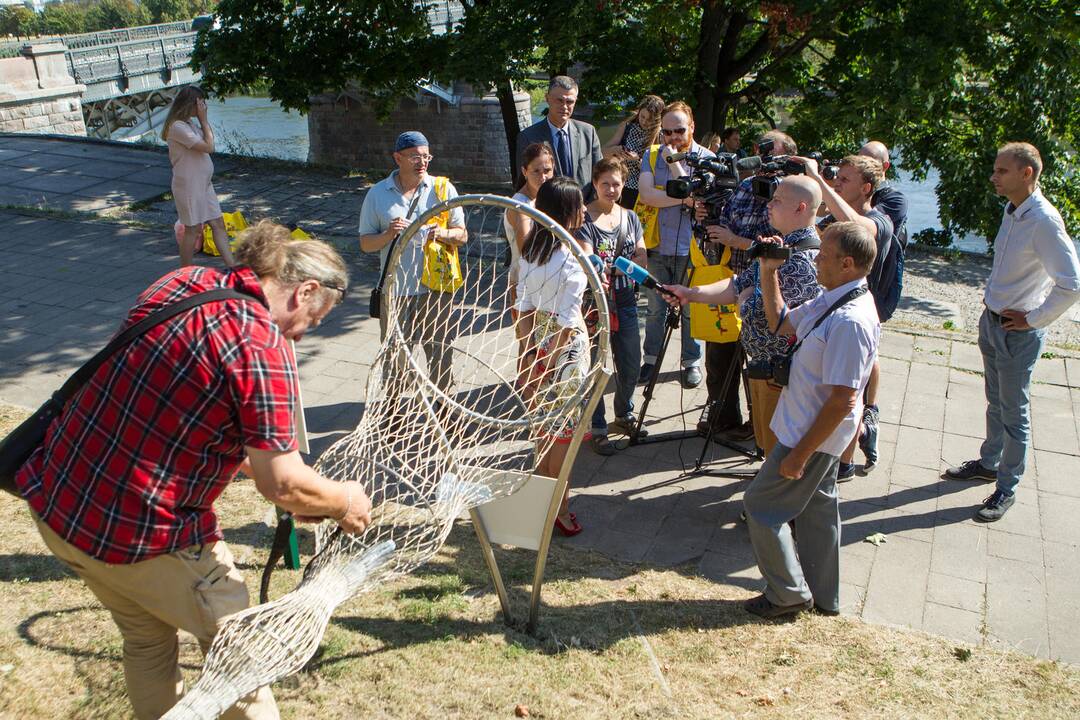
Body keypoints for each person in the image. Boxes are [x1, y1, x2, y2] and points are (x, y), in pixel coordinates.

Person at [14, 221, 373, 719]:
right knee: (243, 662)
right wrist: (345, 501)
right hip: (142, 535)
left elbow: (171, 398)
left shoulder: (184, 283)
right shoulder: (259, 346)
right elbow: (284, 482)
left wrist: (272, 477)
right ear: (305, 291)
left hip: (61, 502)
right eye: (315, 319)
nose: (306, 332)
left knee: (146, 641)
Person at [742, 221, 880, 618]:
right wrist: (769, 273)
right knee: (818, 511)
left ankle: (787, 594)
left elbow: (843, 400)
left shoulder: (851, 322)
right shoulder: (832, 298)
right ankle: (823, 597)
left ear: (848, 264)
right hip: (806, 428)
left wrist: (799, 455)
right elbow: (781, 322)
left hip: (812, 436)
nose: (815, 260)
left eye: (823, 256)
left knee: (761, 506)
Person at [945, 143, 1080, 522]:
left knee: (1014, 413)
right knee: (996, 401)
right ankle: (989, 463)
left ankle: (1006, 488)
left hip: (1017, 332)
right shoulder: (1013, 209)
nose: (993, 176)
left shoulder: (1044, 222)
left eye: (1002, 171)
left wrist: (1034, 319)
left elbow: (1071, 284)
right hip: (993, 322)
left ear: (1027, 174)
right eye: (995, 169)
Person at [666, 176, 823, 455]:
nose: (769, 206)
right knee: (769, 448)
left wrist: (745, 300)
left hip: (786, 380)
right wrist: (689, 293)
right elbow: (738, 284)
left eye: (777, 200)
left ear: (800, 208)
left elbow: (768, 319)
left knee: (781, 456)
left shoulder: (801, 260)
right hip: (768, 371)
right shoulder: (783, 247)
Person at [698, 129, 798, 439]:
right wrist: (706, 218)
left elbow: (783, 245)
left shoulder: (792, 195)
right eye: (760, 149)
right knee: (719, 359)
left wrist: (736, 240)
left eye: (771, 151)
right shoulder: (743, 186)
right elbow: (722, 228)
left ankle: (760, 427)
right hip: (730, 281)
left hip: (766, 289)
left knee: (760, 363)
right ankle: (723, 417)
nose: (763, 156)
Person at [803, 154, 893, 479]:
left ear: (866, 187)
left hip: (859, 314)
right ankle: (844, 455)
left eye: (844, 180)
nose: (836, 184)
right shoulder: (836, 217)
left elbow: (857, 225)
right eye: (836, 178)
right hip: (832, 310)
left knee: (847, 396)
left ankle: (845, 462)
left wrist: (818, 181)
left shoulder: (879, 220)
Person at [359, 131, 468, 393]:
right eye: (414, 157)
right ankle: (395, 411)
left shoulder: (442, 189)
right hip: (396, 291)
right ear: (397, 158)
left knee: (440, 352)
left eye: (426, 157)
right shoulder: (378, 194)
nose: (422, 163)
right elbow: (365, 244)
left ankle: (442, 405)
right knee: (395, 354)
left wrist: (441, 233)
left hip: (436, 289)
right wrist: (388, 234)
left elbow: (462, 235)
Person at [515, 177, 592, 536]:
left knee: (542, 428)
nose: (585, 210)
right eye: (579, 205)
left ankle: (544, 501)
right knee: (564, 431)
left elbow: (524, 307)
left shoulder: (531, 251)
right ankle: (559, 507)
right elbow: (567, 319)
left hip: (536, 342)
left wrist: (528, 354)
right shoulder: (572, 259)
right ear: (567, 212)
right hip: (566, 348)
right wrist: (550, 359)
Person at [575, 158, 649, 454]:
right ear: (594, 184)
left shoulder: (631, 217)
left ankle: (624, 413)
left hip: (626, 300)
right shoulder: (584, 220)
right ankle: (597, 426)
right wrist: (620, 268)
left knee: (631, 362)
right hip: (594, 304)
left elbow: (642, 258)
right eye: (605, 183)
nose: (611, 188)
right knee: (596, 365)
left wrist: (618, 268)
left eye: (616, 183)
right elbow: (590, 263)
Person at [637, 100, 711, 389]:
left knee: (691, 309)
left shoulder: (706, 158)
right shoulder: (652, 155)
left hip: (692, 248)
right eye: (666, 132)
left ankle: (691, 363)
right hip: (658, 244)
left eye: (679, 130)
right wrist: (686, 200)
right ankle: (651, 360)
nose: (673, 138)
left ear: (692, 127)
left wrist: (677, 166)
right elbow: (646, 196)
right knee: (655, 308)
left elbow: (702, 198)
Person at [162, 86, 236, 268]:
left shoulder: (189, 123)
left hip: (204, 184)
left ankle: (233, 267)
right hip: (188, 185)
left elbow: (209, 141)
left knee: (218, 223)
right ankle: (186, 272)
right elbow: (208, 147)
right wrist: (204, 119)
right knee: (193, 230)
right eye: (200, 103)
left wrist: (202, 121)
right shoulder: (177, 127)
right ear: (190, 104)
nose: (203, 107)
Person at [515, 76, 604, 196]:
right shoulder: (528, 137)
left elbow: (600, 174)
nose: (564, 106)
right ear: (547, 98)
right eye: (559, 100)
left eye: (570, 102)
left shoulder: (588, 133)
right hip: (545, 210)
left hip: (583, 209)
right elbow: (523, 183)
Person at [504, 141, 556, 306]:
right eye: (536, 171)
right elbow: (527, 251)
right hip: (524, 282)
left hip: (547, 278)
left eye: (547, 171)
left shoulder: (547, 197)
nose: (543, 177)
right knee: (527, 332)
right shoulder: (521, 205)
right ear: (524, 172)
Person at [602, 94, 664, 209]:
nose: (644, 122)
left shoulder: (660, 135)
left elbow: (659, 171)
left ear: (657, 120)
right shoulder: (627, 127)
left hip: (643, 190)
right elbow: (602, 152)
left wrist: (638, 160)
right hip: (622, 185)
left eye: (649, 120)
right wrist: (616, 150)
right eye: (642, 117)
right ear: (638, 112)